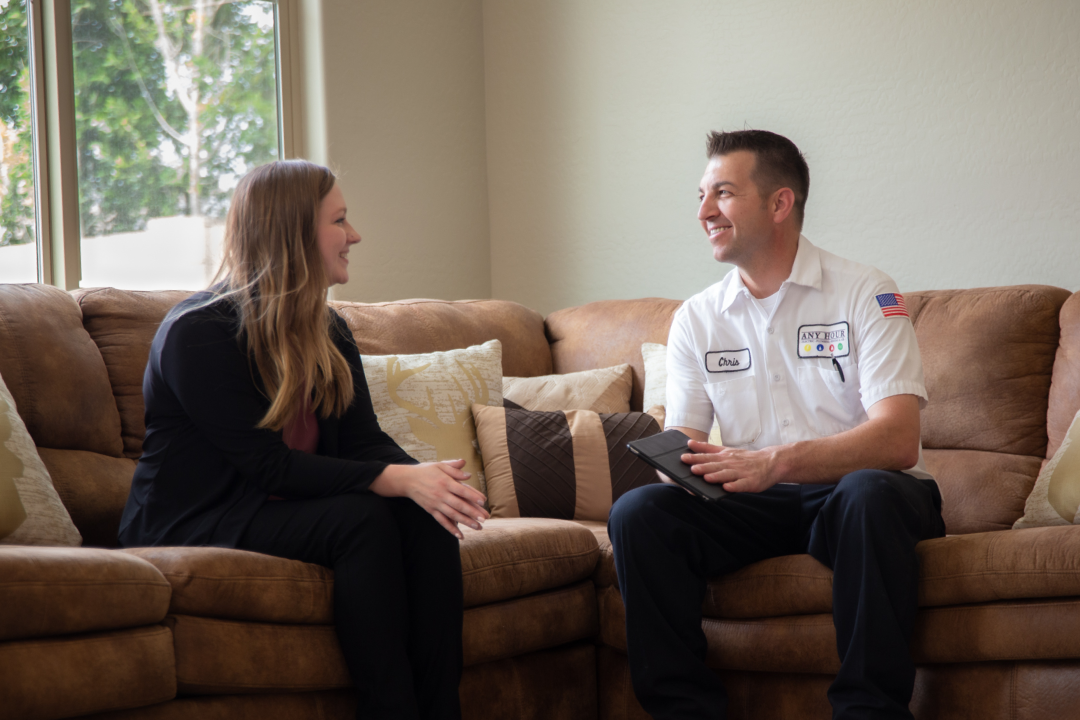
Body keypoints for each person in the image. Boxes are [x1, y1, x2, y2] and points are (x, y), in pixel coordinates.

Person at [118, 159, 488, 720]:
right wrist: (396, 480)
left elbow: (363, 440)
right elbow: (266, 465)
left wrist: (427, 482)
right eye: (340, 220)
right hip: (197, 516)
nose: (355, 235)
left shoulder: (328, 327)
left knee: (425, 516)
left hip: (283, 505)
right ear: (292, 231)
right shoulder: (197, 334)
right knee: (360, 521)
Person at [608, 130, 946, 720]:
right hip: (754, 504)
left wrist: (774, 463)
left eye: (723, 193)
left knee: (868, 492)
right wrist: (678, 467)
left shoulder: (867, 292)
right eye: (701, 195)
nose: (704, 212)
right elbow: (687, 433)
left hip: (858, 497)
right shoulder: (696, 318)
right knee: (639, 513)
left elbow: (896, 438)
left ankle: (868, 711)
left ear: (779, 203)